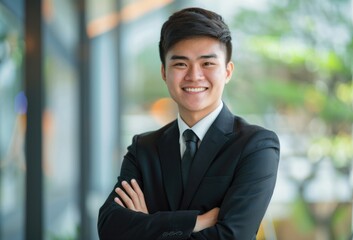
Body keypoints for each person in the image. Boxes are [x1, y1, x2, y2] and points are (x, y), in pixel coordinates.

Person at [98, 7, 280, 240]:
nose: (194, 76)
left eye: (207, 64)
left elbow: (234, 236)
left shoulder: (256, 146)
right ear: (164, 72)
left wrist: (147, 225)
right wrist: (197, 221)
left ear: (227, 71)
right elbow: (109, 228)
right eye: (181, 64)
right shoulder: (144, 149)